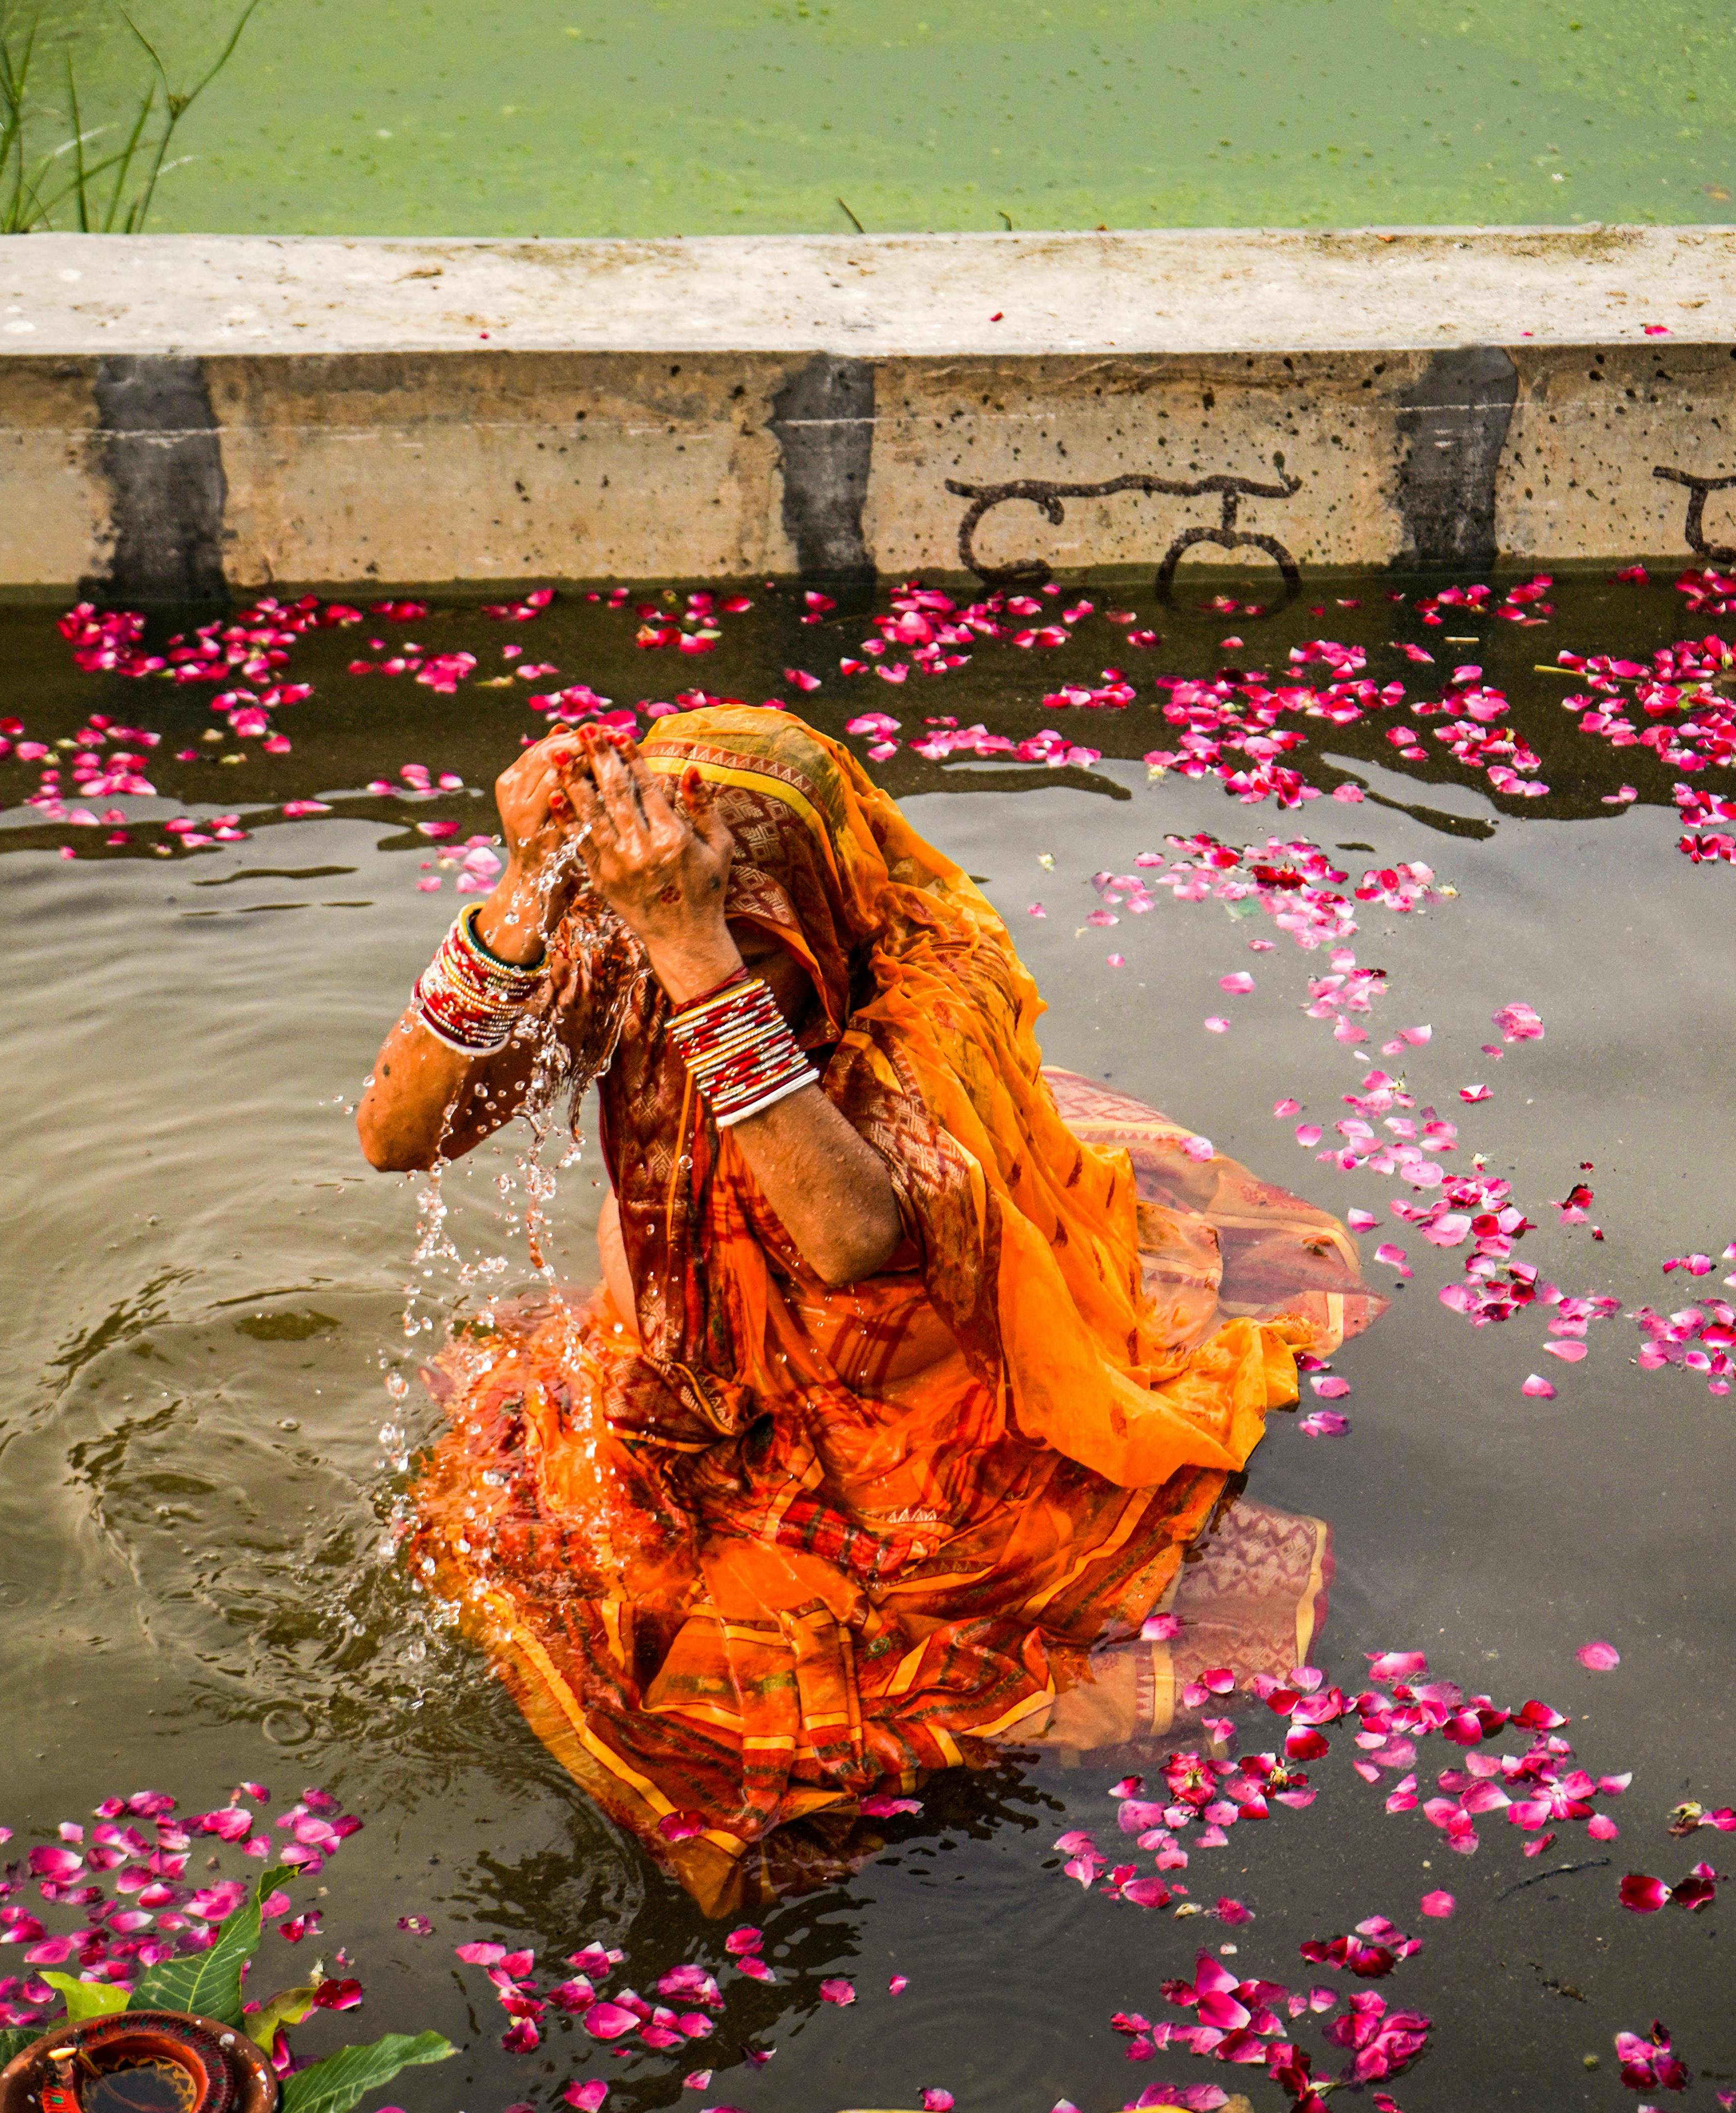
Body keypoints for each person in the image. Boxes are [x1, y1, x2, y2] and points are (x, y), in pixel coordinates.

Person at [359, 706, 1378, 1903]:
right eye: (656, 917)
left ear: (819, 911)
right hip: (679, 1357)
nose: (658, 959)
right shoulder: (630, 934)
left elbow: (850, 1239)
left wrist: (699, 954)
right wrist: (526, 889)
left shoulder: (929, 993)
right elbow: (396, 1134)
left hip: (894, 1422)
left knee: (760, 1695)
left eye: (746, 932)